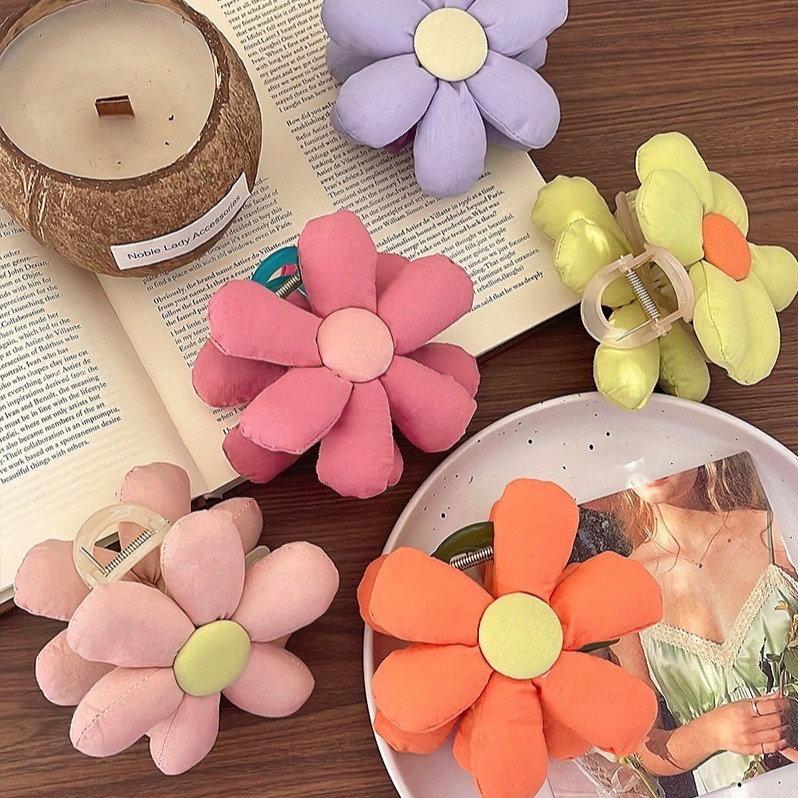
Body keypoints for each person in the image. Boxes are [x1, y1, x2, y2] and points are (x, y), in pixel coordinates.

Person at [608, 454, 798, 795]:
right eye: (630, 449)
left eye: (663, 443)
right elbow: (647, 749)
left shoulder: (778, 534)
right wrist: (714, 731)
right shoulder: (622, 591)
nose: (646, 461)